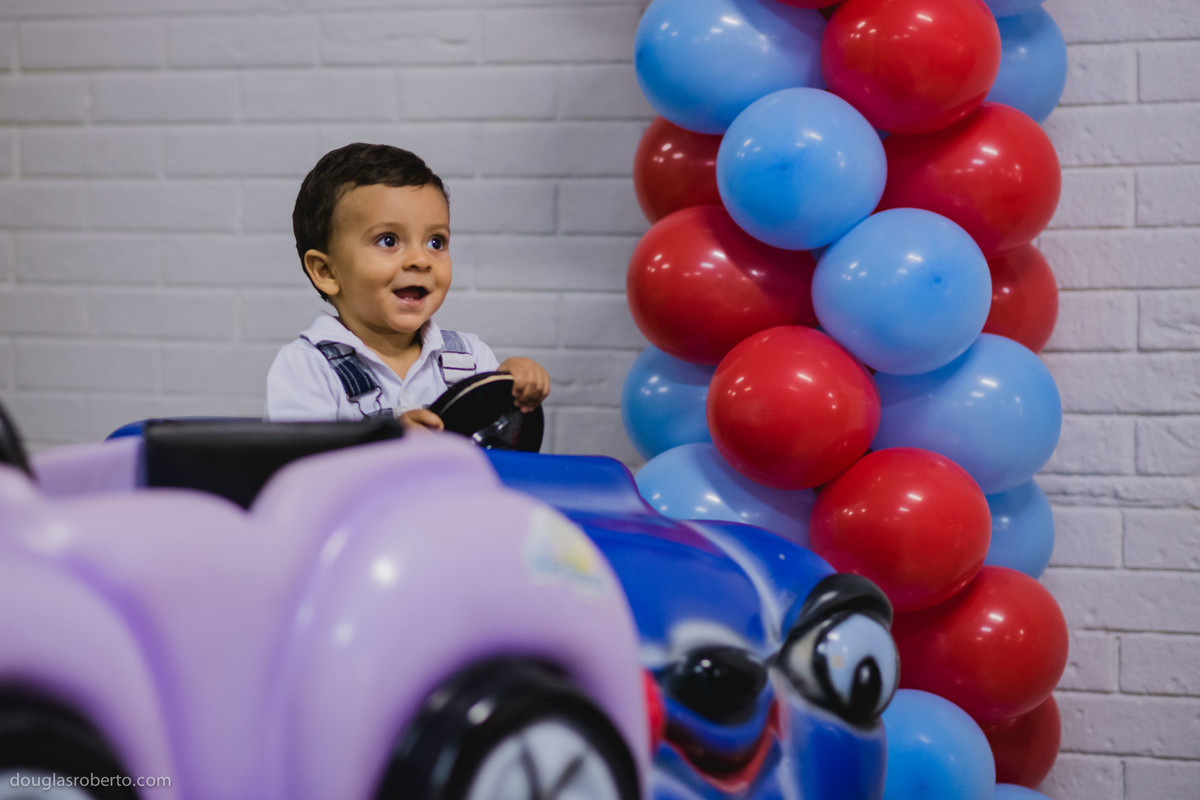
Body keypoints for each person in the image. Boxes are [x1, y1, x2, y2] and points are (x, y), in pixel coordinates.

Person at [265, 143, 550, 430]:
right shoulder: (308, 367)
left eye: (435, 242)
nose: (420, 260)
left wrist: (511, 386)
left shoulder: (470, 359)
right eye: (388, 240)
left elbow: (498, 448)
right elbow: (296, 466)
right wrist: (385, 443)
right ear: (327, 272)